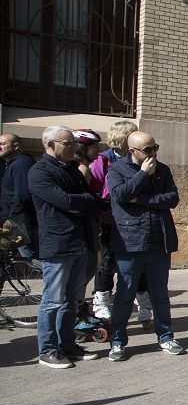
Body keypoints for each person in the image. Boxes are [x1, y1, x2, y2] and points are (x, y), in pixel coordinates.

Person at [106, 132, 187, 361]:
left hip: (158, 240)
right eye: (148, 150)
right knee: (124, 293)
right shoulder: (117, 169)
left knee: (160, 294)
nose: (154, 153)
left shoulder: (162, 169)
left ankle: (165, 336)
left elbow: (172, 198)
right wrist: (142, 175)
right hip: (130, 242)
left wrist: (141, 200)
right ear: (132, 151)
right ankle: (118, 341)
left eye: (155, 148)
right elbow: (119, 195)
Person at [28, 126, 101, 368]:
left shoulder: (72, 170)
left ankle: (67, 345)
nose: (74, 148)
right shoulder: (39, 172)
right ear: (50, 145)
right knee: (52, 301)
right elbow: (66, 201)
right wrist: (82, 201)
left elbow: (90, 200)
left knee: (72, 301)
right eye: (67, 144)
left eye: (73, 144)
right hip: (57, 245)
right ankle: (47, 350)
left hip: (79, 242)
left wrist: (82, 202)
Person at [89, 120, 150, 323]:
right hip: (110, 221)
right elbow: (95, 189)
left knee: (139, 264)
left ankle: (143, 303)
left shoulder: (142, 160)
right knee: (107, 263)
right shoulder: (102, 162)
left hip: (135, 220)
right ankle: (101, 303)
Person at [70, 129, 104, 319]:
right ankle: (78, 313)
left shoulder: (83, 166)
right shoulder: (81, 169)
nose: (98, 151)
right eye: (94, 147)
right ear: (83, 148)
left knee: (86, 272)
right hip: (84, 226)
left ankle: (79, 310)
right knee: (84, 273)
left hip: (89, 224)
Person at [0, 133, 37, 257]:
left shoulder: (20, 164)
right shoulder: (11, 164)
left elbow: (22, 194)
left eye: (3, 144)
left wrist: (13, 218)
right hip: (15, 219)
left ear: (16, 146)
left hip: (19, 221)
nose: (0, 147)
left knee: (30, 256)